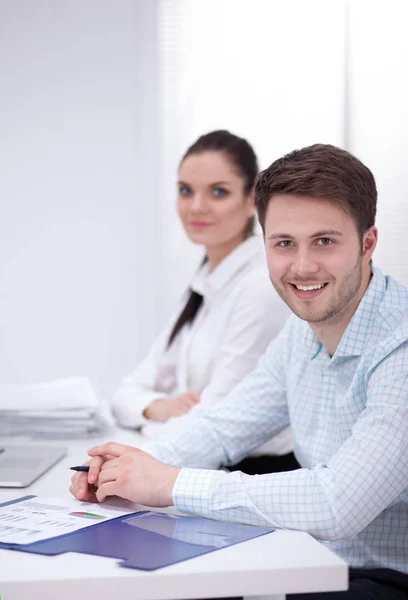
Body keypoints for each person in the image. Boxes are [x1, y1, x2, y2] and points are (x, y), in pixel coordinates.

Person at [71, 144, 408, 599]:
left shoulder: (400, 345)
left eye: (324, 241)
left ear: (368, 243)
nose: (303, 266)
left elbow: (336, 502)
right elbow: (224, 425)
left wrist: (169, 482)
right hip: (316, 564)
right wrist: (120, 469)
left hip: (385, 577)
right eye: (284, 243)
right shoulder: (301, 332)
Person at [112, 130, 294, 473]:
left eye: (218, 192)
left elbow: (217, 417)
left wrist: (142, 439)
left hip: (250, 473)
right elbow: (125, 394)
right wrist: (157, 407)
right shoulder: (203, 283)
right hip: (195, 461)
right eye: (186, 191)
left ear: (251, 198)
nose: (197, 206)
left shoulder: (260, 287)